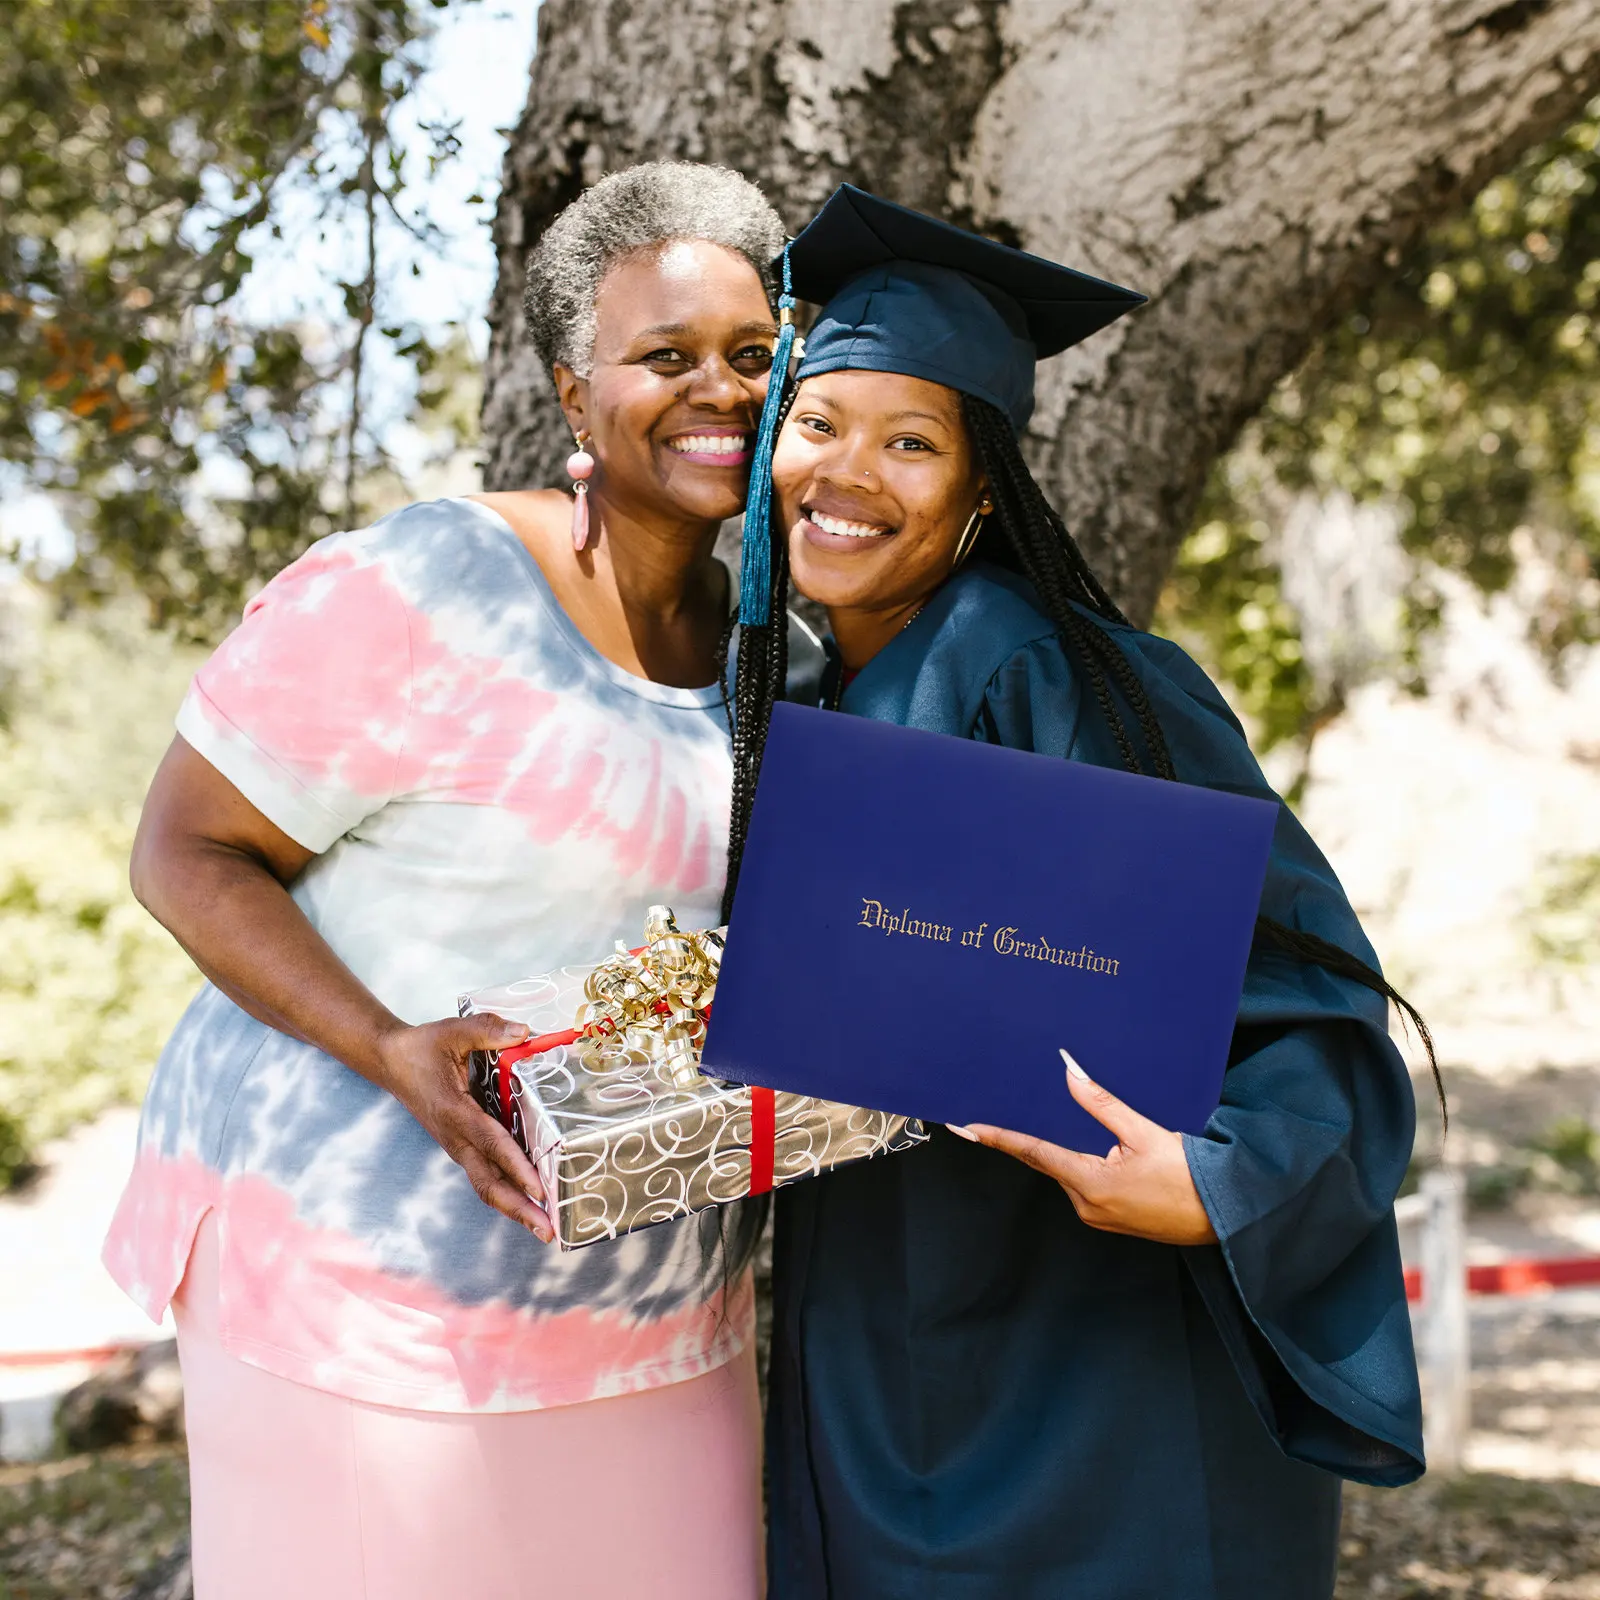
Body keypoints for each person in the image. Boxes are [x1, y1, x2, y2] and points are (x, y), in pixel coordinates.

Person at [104, 161, 808, 1600]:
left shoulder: (782, 657)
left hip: (659, 1308)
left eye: (752, 354)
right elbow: (183, 850)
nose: (719, 391)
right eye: (663, 357)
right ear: (569, 396)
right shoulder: (421, 587)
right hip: (357, 1301)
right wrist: (391, 1048)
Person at [726, 186, 1435, 1598]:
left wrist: (1220, 1183)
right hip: (889, 1333)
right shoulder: (800, 691)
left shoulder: (1042, 666)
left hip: (1084, 1368)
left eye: (912, 441)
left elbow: (1304, 985)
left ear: (984, 488)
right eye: (819, 424)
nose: (850, 471)